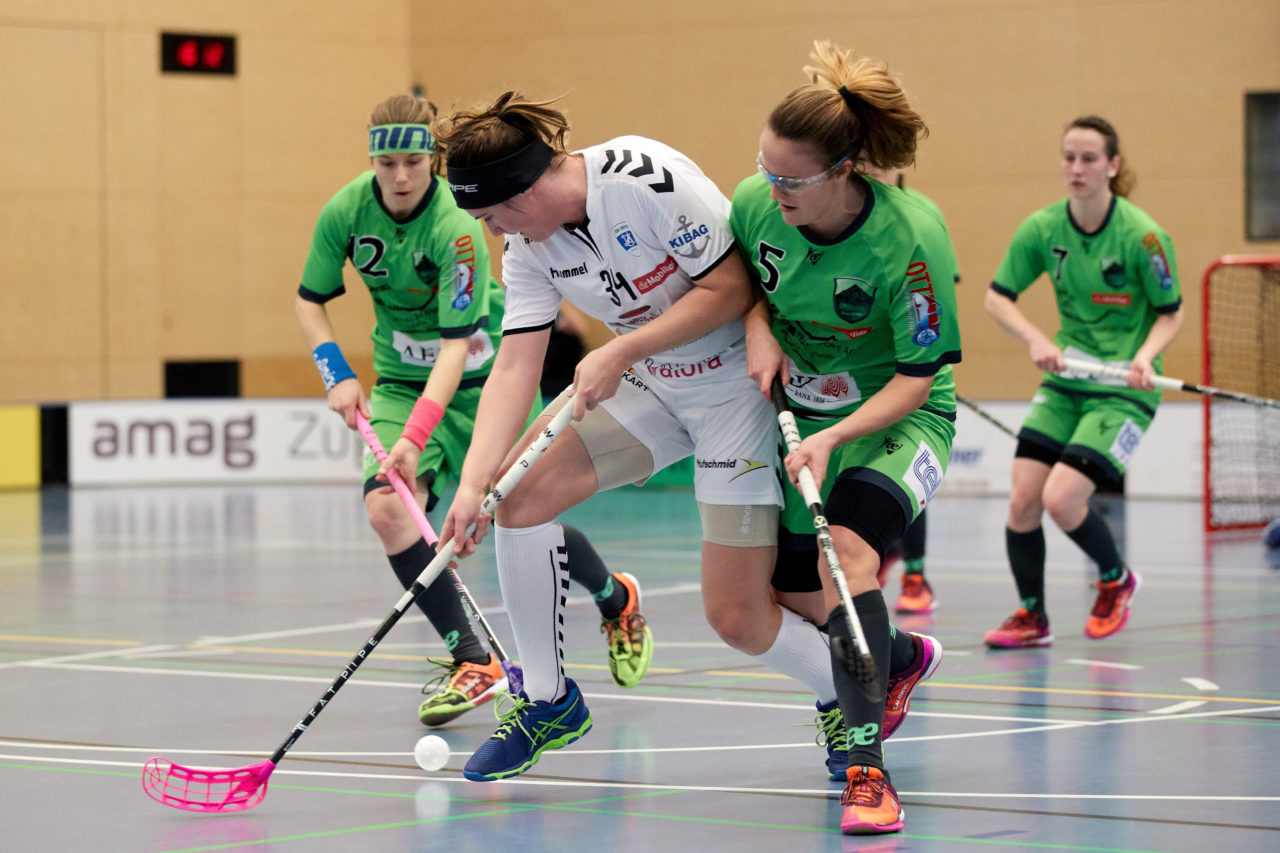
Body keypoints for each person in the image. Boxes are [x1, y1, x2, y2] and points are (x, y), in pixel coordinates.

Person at [433, 91, 844, 784]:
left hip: (734, 394)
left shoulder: (646, 177)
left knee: (739, 615)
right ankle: (546, 700)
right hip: (650, 387)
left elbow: (733, 288)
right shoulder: (532, 248)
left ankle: (846, 690)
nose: (495, 232)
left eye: (493, 214)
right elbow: (515, 362)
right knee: (518, 495)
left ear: (527, 186)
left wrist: (624, 349)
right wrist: (475, 482)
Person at [294, 92, 652, 729]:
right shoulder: (344, 212)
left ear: (430, 158)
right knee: (388, 508)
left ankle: (614, 596)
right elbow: (308, 301)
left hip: (483, 387)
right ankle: (474, 657)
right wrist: (337, 372)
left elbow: (458, 347)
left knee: (511, 514)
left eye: (413, 161)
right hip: (405, 383)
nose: (401, 177)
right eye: (387, 165)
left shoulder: (459, 225)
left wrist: (416, 436)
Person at [733, 40, 960, 835]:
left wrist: (836, 440)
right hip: (803, 416)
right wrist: (759, 327)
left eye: (791, 178)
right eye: (766, 168)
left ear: (844, 169)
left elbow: (918, 378)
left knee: (850, 563)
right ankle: (899, 657)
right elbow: (743, 290)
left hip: (899, 418)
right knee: (792, 594)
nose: (773, 188)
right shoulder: (755, 207)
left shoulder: (911, 236)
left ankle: (866, 772)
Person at [983, 115, 1183, 649]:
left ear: (1113, 167)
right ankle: (1032, 616)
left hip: (1126, 388)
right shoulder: (1043, 229)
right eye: (1069, 157)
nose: (1076, 168)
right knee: (1023, 500)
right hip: (1068, 379)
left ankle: (1116, 578)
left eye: (1089, 158)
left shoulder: (1145, 237)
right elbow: (996, 297)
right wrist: (1034, 338)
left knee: (1061, 498)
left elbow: (1171, 313)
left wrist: (1145, 356)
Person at [861, 163, 955, 615]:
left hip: (910, 376)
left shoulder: (922, 216)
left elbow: (934, 307)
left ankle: (916, 573)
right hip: (859, 379)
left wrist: (922, 367)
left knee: (909, 468)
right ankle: (883, 553)